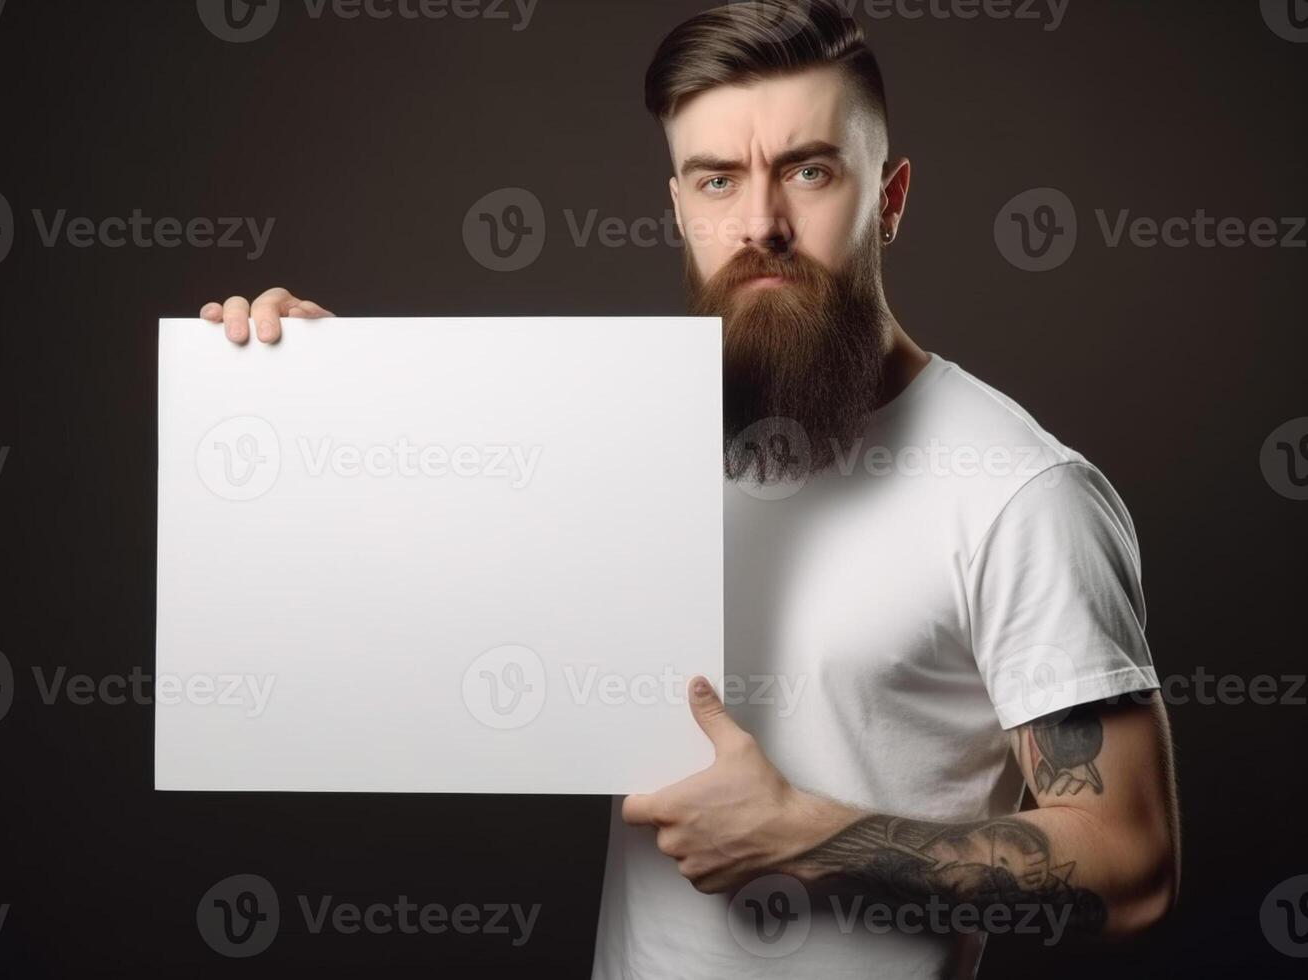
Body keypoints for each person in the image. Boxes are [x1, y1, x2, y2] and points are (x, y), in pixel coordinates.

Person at [196, 3, 1179, 976]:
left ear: (891, 196)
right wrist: (308, 401)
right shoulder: (627, 450)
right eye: (719, 179)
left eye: (810, 169)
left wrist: (812, 837)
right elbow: (408, 618)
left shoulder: (1019, 491)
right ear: (679, 205)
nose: (762, 222)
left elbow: (1134, 865)